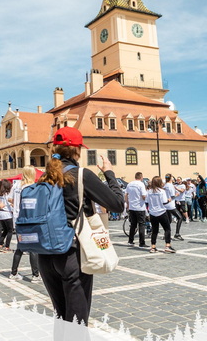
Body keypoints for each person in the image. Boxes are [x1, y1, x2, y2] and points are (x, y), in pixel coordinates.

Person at [37, 126, 123, 326]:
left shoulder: (44, 176)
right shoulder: (81, 174)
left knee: (61, 317)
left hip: (45, 255)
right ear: (77, 149)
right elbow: (117, 204)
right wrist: (109, 173)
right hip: (72, 253)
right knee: (77, 322)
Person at [8, 165, 41, 282]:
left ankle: (13, 272)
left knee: (20, 246)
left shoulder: (16, 185)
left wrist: (17, 204)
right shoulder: (33, 187)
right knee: (33, 247)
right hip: (29, 219)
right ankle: (35, 275)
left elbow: (9, 199)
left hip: (17, 219)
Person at [147, 176, 175, 254]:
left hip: (152, 213)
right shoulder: (162, 191)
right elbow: (164, 202)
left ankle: (153, 247)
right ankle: (167, 245)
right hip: (161, 212)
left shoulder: (149, 191)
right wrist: (169, 200)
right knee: (167, 229)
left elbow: (147, 201)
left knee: (154, 230)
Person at [125, 172, 147, 248]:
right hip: (140, 207)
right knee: (141, 224)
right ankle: (142, 242)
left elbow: (126, 195)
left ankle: (130, 240)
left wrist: (127, 204)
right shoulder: (141, 184)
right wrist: (146, 199)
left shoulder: (130, 184)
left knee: (133, 225)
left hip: (132, 207)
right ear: (141, 177)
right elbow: (144, 196)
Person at [164, 174, 184, 240]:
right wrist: (177, 194)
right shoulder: (170, 185)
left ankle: (166, 234)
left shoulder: (165, 185)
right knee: (180, 217)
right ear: (171, 179)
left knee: (169, 220)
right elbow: (172, 196)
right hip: (171, 205)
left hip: (165, 205)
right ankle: (177, 234)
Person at [0, 179, 13, 253]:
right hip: (7, 213)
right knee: (10, 230)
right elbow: (9, 202)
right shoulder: (6, 194)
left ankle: (0, 244)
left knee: (5, 230)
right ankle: (7, 246)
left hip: (0, 213)